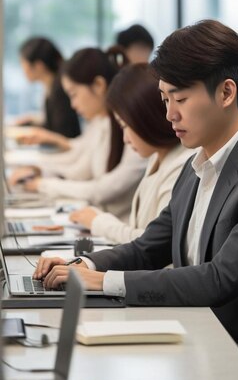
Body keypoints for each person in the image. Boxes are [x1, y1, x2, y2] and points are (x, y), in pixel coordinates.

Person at [34, 20, 238, 380]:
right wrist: (86, 266)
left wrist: (104, 282)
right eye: (164, 99)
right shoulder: (196, 167)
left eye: (181, 99)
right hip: (203, 349)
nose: (169, 114)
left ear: (226, 93)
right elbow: (149, 246)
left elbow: (219, 278)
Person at [10, 47, 146, 218]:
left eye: (74, 95)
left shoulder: (132, 131)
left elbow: (101, 189)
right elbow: (80, 163)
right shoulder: (101, 122)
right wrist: (39, 169)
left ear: (98, 85)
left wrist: (42, 182)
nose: (73, 105)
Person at [69, 63, 194, 243]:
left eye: (126, 127)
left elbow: (151, 244)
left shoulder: (181, 166)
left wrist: (99, 222)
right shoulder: (157, 157)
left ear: (147, 118)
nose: (126, 139)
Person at [15, 36, 81, 140]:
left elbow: (64, 133)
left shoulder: (60, 89)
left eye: (23, 64)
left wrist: (36, 132)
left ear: (39, 65)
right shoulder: (51, 85)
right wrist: (33, 121)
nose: (23, 70)